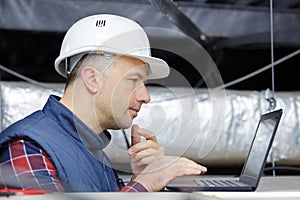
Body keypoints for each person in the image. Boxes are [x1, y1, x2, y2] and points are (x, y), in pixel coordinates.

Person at [0, 14, 207, 192]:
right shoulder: (28, 149)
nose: (145, 96)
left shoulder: (91, 152)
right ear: (92, 79)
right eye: (133, 80)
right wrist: (145, 184)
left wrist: (140, 180)